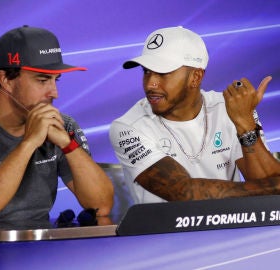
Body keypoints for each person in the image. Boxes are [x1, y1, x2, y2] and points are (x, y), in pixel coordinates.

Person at [0, 26, 114, 224]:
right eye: (43, 80)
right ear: (6, 80)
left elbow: (101, 206)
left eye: (56, 80)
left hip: (39, 250)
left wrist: (68, 144)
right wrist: (29, 143)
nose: (54, 93)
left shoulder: (62, 126)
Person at [109, 26, 280, 204]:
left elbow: (267, 180)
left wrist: (246, 125)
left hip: (232, 229)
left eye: (162, 73)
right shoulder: (128, 127)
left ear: (195, 77)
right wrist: (271, 189)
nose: (150, 83)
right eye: (146, 71)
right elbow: (183, 192)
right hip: (163, 232)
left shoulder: (229, 109)